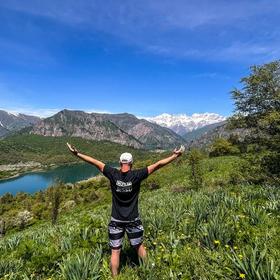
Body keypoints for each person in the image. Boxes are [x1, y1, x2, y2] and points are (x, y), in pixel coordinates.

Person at [66, 142, 185, 277]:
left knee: (115, 251)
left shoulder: (112, 174)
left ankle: (115, 277)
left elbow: (95, 162)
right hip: (133, 219)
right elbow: (158, 164)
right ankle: (149, 273)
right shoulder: (137, 175)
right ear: (131, 163)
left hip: (116, 219)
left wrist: (77, 154)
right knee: (139, 246)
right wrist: (175, 156)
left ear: (120, 162)